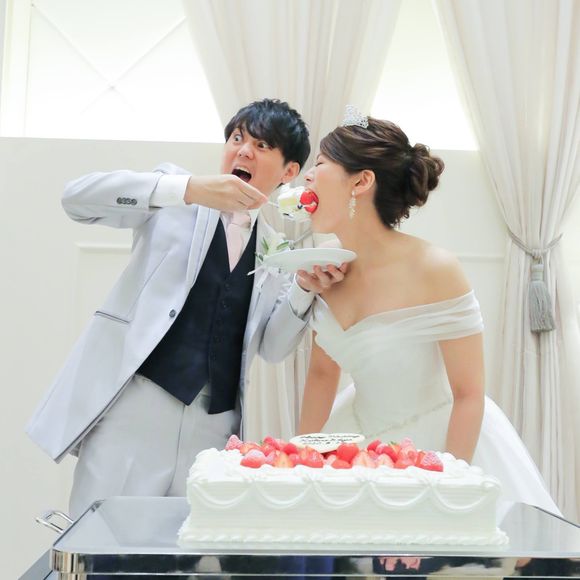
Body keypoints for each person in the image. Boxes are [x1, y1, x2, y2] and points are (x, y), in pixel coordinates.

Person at [26, 98, 345, 518]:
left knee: (188, 546)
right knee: (102, 538)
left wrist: (303, 289)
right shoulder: (176, 197)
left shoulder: (276, 248)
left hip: (214, 429)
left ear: (289, 172)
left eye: (262, 145)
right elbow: (76, 200)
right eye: (237, 138)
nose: (244, 151)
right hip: (136, 412)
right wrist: (186, 189)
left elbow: (271, 348)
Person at [296, 110, 559, 515]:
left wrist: (446, 487)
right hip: (358, 444)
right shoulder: (327, 268)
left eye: (320, 164)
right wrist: (301, 460)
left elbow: (468, 393)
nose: (308, 178)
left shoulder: (435, 268)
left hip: (441, 445)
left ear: (361, 182)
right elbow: (321, 373)